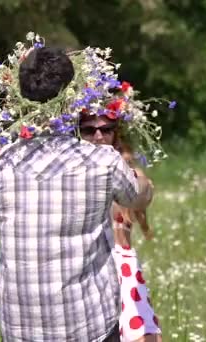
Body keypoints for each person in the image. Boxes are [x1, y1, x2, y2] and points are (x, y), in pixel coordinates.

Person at [0, 47, 148, 341]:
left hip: (19, 329)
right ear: (73, 97)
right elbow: (136, 198)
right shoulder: (103, 163)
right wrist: (142, 180)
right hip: (88, 326)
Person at [79, 114, 162, 341]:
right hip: (91, 268)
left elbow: (142, 194)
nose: (99, 136)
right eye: (88, 130)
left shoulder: (126, 172)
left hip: (124, 265)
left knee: (143, 335)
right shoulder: (73, 176)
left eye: (107, 129)